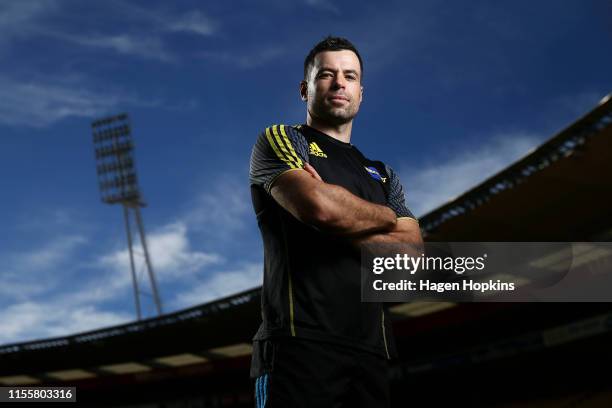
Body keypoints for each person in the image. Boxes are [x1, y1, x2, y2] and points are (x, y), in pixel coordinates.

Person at [248, 36, 423, 407]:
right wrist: (385, 217)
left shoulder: (382, 174)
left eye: (350, 75)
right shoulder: (281, 139)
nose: (339, 82)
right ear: (304, 88)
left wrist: (339, 217)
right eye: (326, 74)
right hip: (298, 345)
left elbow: (409, 258)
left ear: (361, 91)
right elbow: (320, 208)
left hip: (372, 352)